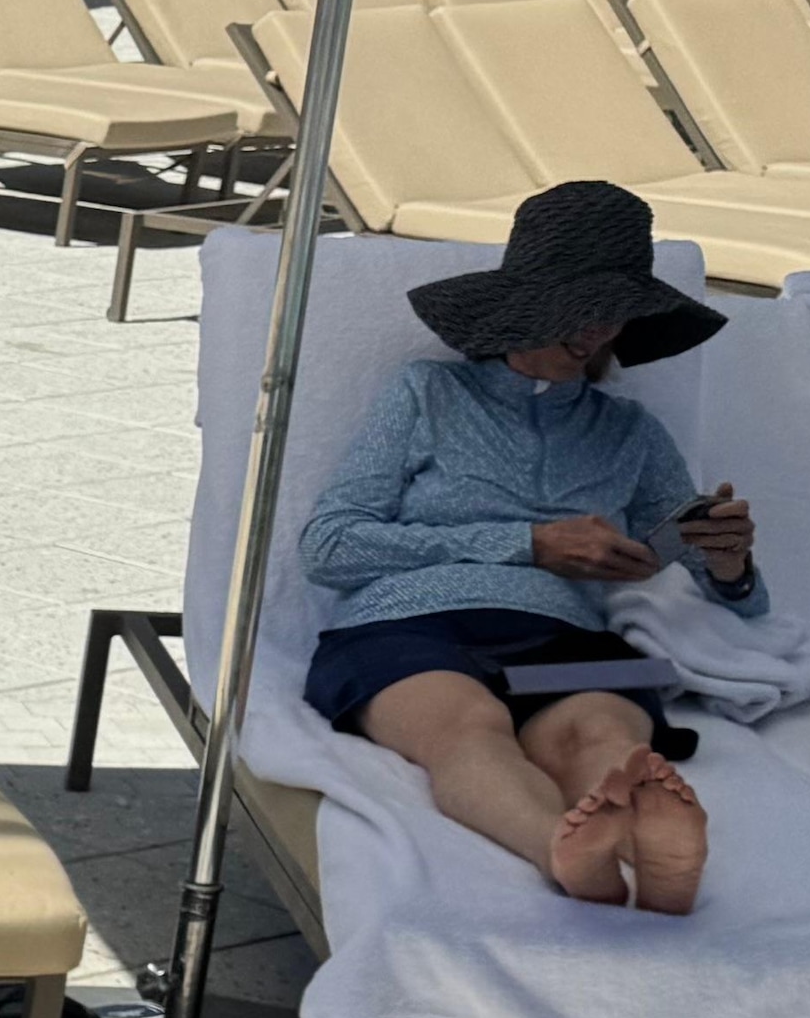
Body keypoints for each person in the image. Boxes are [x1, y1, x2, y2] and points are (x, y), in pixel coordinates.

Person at [298, 181, 761, 917]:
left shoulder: (631, 432)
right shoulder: (426, 394)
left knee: (603, 732)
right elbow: (327, 546)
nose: (592, 336)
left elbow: (718, 582)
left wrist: (731, 566)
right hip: (411, 620)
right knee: (466, 727)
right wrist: (528, 545)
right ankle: (563, 846)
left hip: (569, 633)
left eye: (612, 316)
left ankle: (652, 848)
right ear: (525, 307)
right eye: (577, 313)